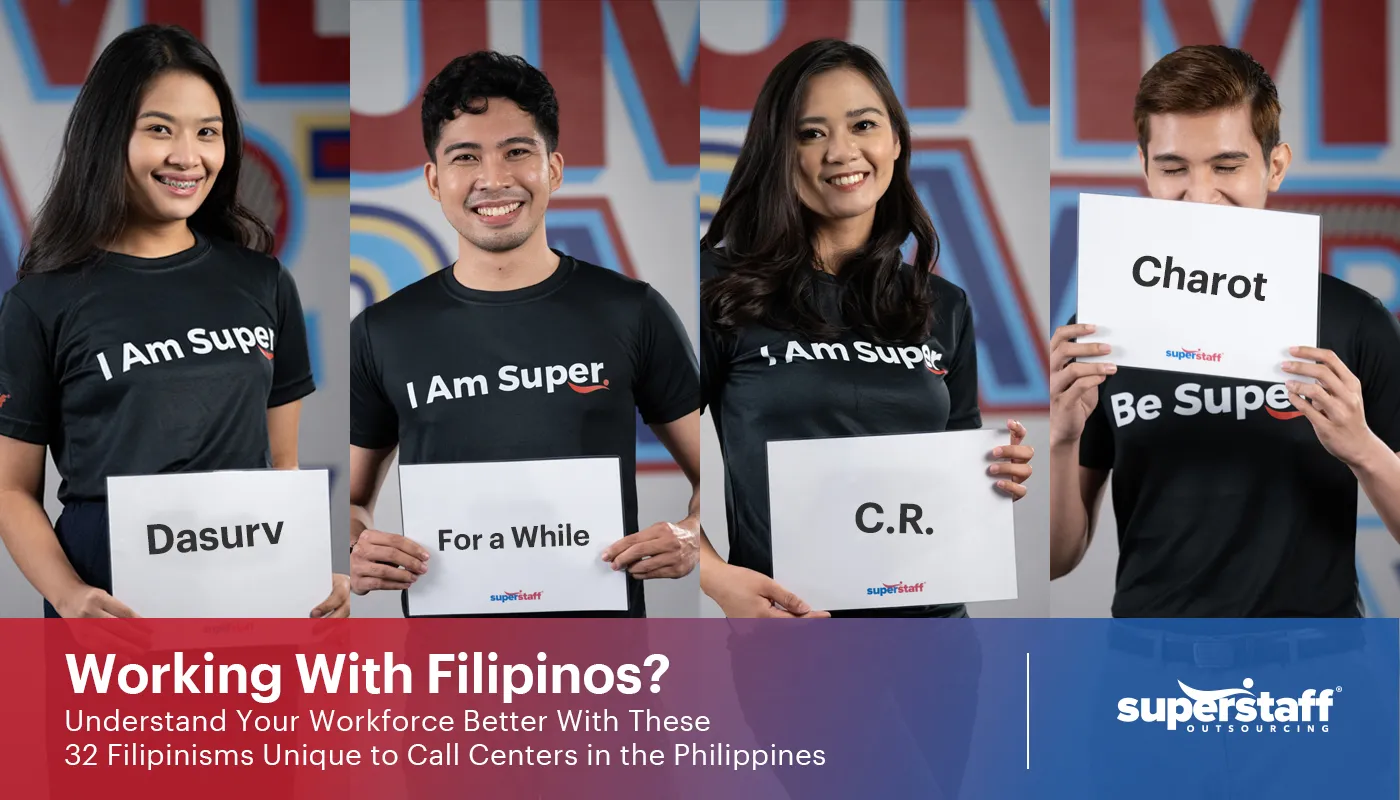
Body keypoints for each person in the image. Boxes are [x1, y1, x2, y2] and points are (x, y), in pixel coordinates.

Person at [0, 25, 347, 619]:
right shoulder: (41, 303)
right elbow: (10, 490)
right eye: (159, 129)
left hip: (249, 599)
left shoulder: (263, 283)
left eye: (208, 133)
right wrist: (69, 595)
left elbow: (280, 469)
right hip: (108, 615)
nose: (189, 157)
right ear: (108, 137)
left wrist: (311, 574)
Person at [1049, 45, 1400, 616]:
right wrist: (1063, 440)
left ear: (1276, 166)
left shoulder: (1352, 319)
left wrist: (1363, 450)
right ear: (1144, 168)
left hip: (1313, 666)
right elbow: (1056, 559)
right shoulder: (1099, 329)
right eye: (1173, 168)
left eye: (1227, 166)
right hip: (1148, 665)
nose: (1200, 194)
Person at [348, 51, 701, 618]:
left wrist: (693, 534)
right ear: (435, 181)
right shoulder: (382, 331)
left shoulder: (630, 311)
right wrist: (354, 548)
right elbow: (353, 504)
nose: (494, 179)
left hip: (603, 671)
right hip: (450, 675)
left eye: (517, 151)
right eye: (467, 157)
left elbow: (722, 479)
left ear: (553, 169)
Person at [698, 39, 1034, 621]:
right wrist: (717, 578)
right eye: (811, 133)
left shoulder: (941, 304)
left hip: (936, 636)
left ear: (895, 141)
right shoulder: (720, 288)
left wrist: (998, 471)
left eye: (863, 124)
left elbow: (957, 469)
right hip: (796, 635)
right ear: (779, 152)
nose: (842, 152)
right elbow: (640, 462)